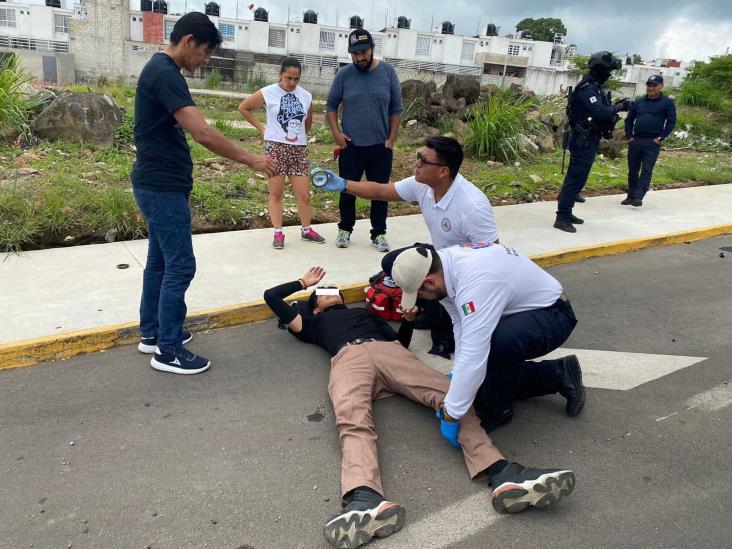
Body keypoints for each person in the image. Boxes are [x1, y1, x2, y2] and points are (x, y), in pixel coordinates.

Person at [264, 267, 577, 548]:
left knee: (452, 396)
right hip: (348, 359)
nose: (331, 292)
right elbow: (271, 297)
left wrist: (408, 322)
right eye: (325, 292)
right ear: (315, 303)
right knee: (352, 421)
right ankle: (364, 497)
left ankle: (502, 472)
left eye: (335, 290)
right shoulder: (311, 324)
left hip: (390, 353)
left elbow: (399, 341)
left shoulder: (365, 315)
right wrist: (305, 282)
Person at [131, 12, 275, 375]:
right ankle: (168, 350)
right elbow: (203, 133)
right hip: (162, 187)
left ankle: (153, 332)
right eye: (206, 52)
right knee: (180, 264)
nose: (206, 60)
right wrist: (249, 159)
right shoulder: (165, 73)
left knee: (160, 263)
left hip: (155, 182)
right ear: (189, 40)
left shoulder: (163, 71)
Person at [310, 135, 498, 356]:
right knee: (392, 263)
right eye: (418, 156)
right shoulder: (423, 186)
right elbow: (381, 191)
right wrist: (344, 185)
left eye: (423, 160)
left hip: (467, 265)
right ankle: (427, 309)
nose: (416, 163)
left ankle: (445, 339)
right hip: (440, 254)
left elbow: (493, 257)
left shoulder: (472, 206)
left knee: (447, 298)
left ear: (443, 171)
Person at [382, 244, 586, 434]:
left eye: (419, 294)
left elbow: (474, 348)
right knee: (480, 380)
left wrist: (452, 412)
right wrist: (460, 375)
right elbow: (460, 323)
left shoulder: (475, 283)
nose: (420, 300)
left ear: (429, 282)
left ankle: (499, 410)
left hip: (554, 314)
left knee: (496, 345)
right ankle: (559, 373)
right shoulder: (444, 266)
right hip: (523, 312)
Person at [326, 28, 403, 252]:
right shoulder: (344, 75)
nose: (360, 57)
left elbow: (396, 108)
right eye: (355, 53)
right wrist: (337, 134)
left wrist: (392, 138)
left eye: (363, 52)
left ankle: (379, 233)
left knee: (381, 192)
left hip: (381, 147)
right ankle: (345, 229)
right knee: (347, 189)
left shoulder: (388, 72)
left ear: (372, 49)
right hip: (351, 146)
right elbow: (331, 106)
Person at [238, 57, 324, 249]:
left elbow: (307, 124)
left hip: (299, 150)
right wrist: (262, 129)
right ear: (280, 75)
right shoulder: (268, 92)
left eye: (296, 79)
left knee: (304, 195)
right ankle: (278, 232)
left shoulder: (306, 96)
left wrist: (296, 137)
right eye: (288, 78)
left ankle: (306, 229)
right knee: (276, 193)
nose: (292, 83)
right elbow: (244, 108)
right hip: (275, 149)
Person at [555, 51, 633, 233]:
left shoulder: (594, 87)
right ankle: (562, 217)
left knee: (578, 178)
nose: (609, 75)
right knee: (574, 179)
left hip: (589, 139)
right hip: (583, 140)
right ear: (600, 70)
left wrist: (617, 105)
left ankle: (567, 212)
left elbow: (603, 110)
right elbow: (601, 112)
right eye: (608, 71)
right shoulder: (588, 89)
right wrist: (621, 106)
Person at [622, 74, 676, 207]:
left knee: (646, 170)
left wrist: (661, 138)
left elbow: (671, 121)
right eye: (649, 85)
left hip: (652, 142)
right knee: (633, 170)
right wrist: (630, 136)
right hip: (636, 141)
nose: (651, 88)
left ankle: (639, 196)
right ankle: (631, 195)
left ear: (661, 86)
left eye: (654, 85)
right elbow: (629, 120)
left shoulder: (667, 103)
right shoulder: (639, 102)